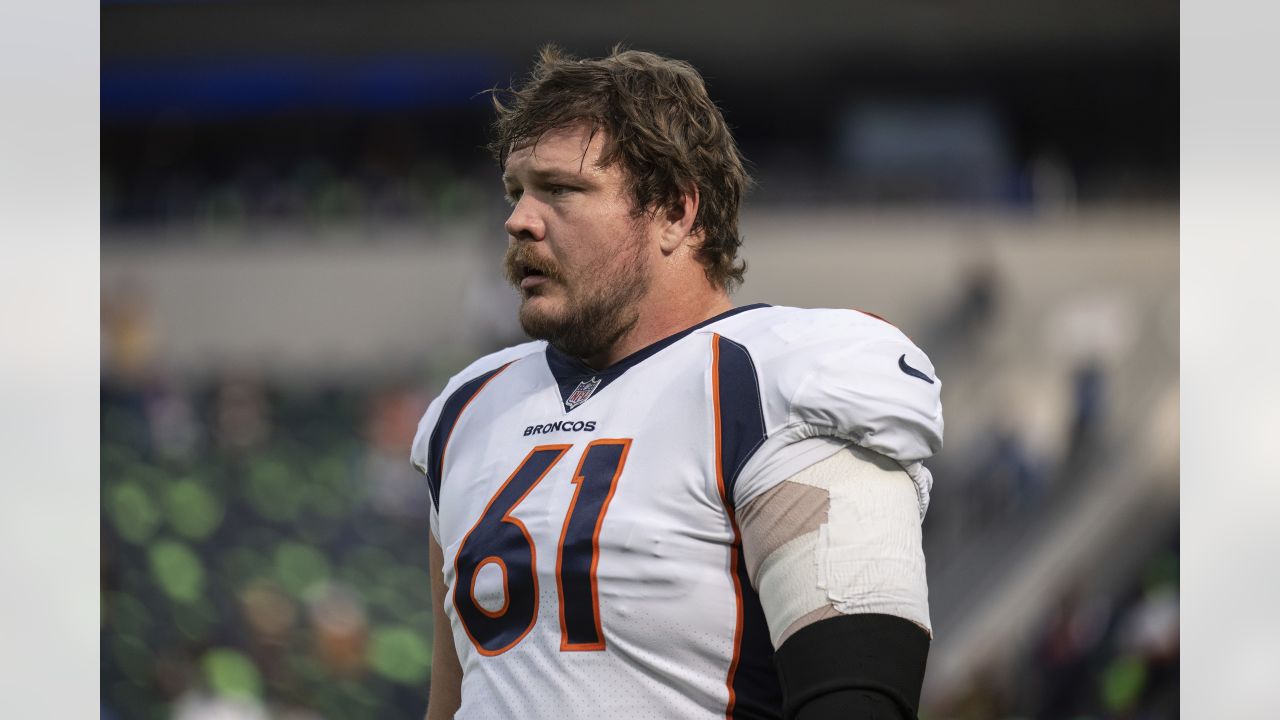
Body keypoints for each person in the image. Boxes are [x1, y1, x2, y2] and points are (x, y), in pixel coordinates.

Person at [410, 46, 943, 720]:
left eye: (562, 190)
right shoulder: (469, 408)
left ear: (674, 211)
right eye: (517, 190)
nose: (519, 219)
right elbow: (453, 703)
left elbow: (856, 701)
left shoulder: (776, 377)